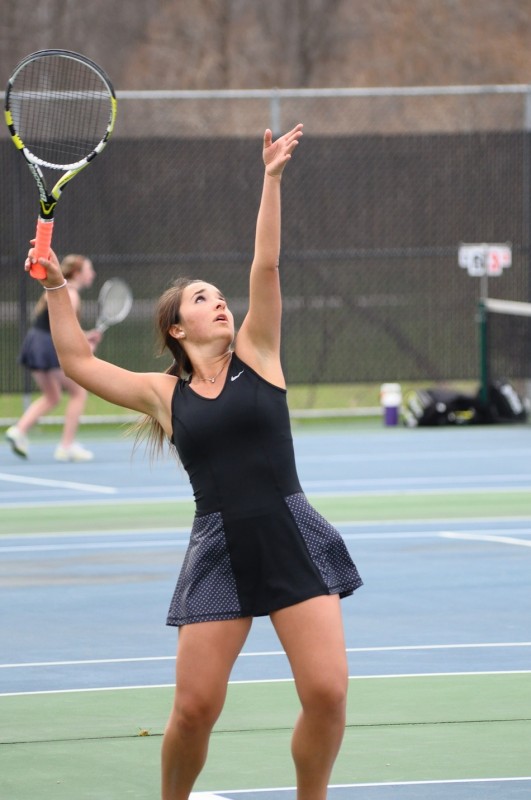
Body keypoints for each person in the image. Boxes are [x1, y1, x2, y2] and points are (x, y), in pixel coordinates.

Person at [24, 123, 363, 800]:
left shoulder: (260, 355)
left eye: (218, 295)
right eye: (201, 299)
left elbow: (264, 267)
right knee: (193, 710)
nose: (220, 302)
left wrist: (270, 180)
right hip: (220, 548)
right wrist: (57, 287)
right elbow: (77, 362)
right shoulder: (163, 396)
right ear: (177, 328)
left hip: (290, 532)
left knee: (326, 693)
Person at [6, 253, 101, 462]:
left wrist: (85, 336)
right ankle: (66, 446)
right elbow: (65, 332)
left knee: (52, 396)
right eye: (89, 270)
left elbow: (61, 327)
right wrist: (87, 345)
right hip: (48, 346)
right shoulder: (72, 295)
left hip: (36, 342)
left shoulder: (58, 290)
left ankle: (18, 431)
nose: (92, 274)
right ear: (77, 273)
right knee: (78, 393)